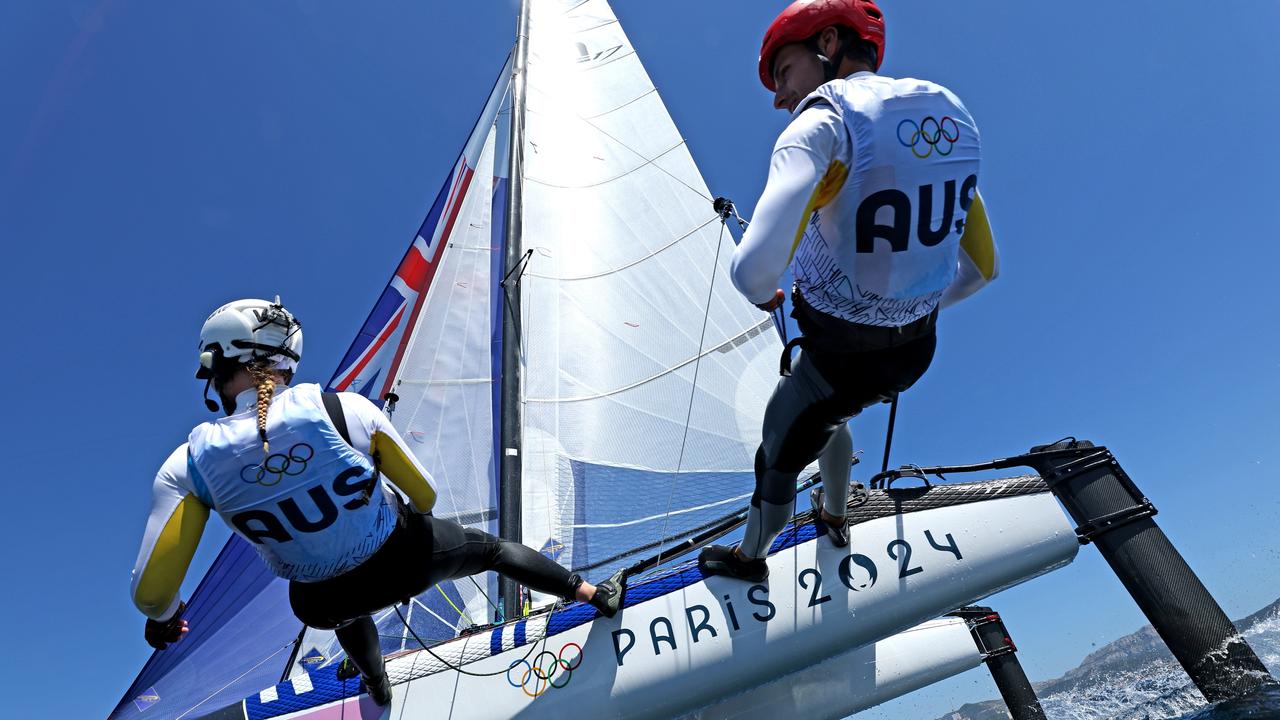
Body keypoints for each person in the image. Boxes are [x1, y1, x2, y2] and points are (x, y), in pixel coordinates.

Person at [130, 298, 624, 706]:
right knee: (490, 551)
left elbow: (152, 595)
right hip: (407, 560)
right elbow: (425, 496)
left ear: (214, 368)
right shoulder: (342, 408)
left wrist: (167, 621)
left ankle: (376, 683)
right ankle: (592, 594)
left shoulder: (188, 464)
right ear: (284, 361)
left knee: (342, 606)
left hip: (320, 602)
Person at [699, 0, 999, 581]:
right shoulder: (944, 121)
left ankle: (750, 558)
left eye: (783, 73)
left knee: (780, 443)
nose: (779, 96)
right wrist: (906, 307)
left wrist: (766, 296)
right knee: (833, 411)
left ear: (829, 43)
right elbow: (983, 270)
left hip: (841, 359)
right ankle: (835, 516)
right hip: (916, 353)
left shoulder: (819, 126)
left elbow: (751, 271)